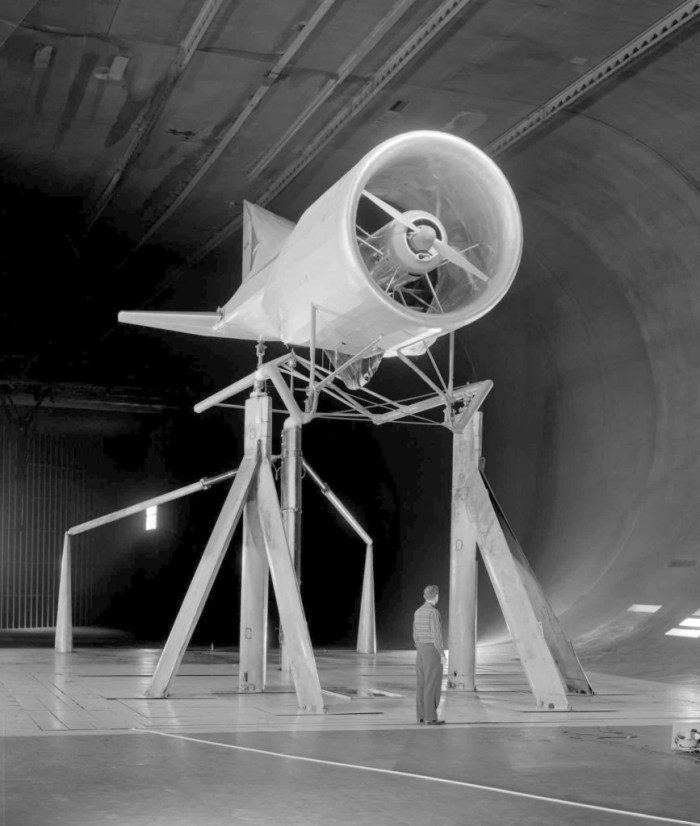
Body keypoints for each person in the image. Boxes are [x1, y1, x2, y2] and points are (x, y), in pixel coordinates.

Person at [413, 584, 446, 725]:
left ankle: (421, 716)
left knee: (421, 683)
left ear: (424, 596)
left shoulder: (417, 612)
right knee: (432, 684)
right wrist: (442, 653)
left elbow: (415, 634)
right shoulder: (433, 613)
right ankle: (430, 717)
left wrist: (419, 647)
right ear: (436, 596)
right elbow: (436, 635)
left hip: (420, 649)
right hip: (432, 650)